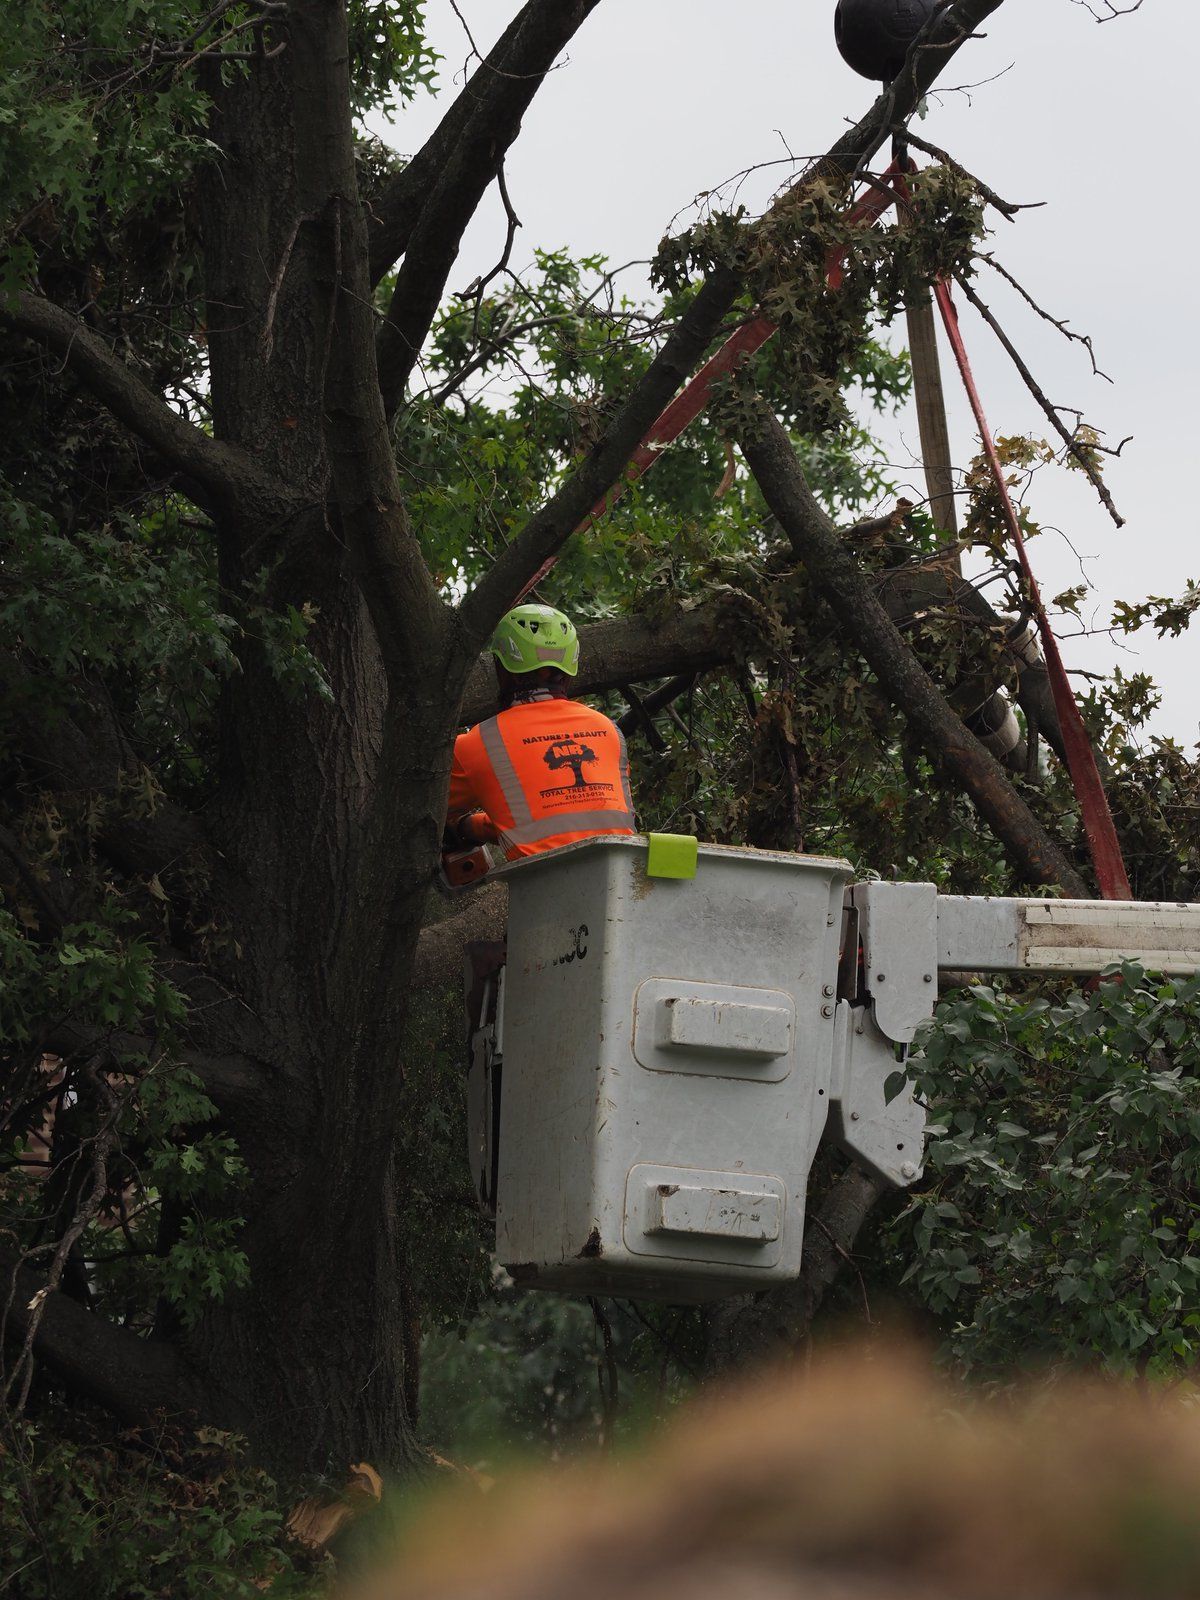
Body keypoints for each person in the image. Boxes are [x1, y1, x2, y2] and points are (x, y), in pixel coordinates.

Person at [445, 604, 636, 863]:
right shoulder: (608, 729)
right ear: (569, 669)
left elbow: (425, 806)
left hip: (544, 883)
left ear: (501, 668)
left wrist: (461, 826)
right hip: (623, 875)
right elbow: (549, 820)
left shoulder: (477, 743)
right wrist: (471, 826)